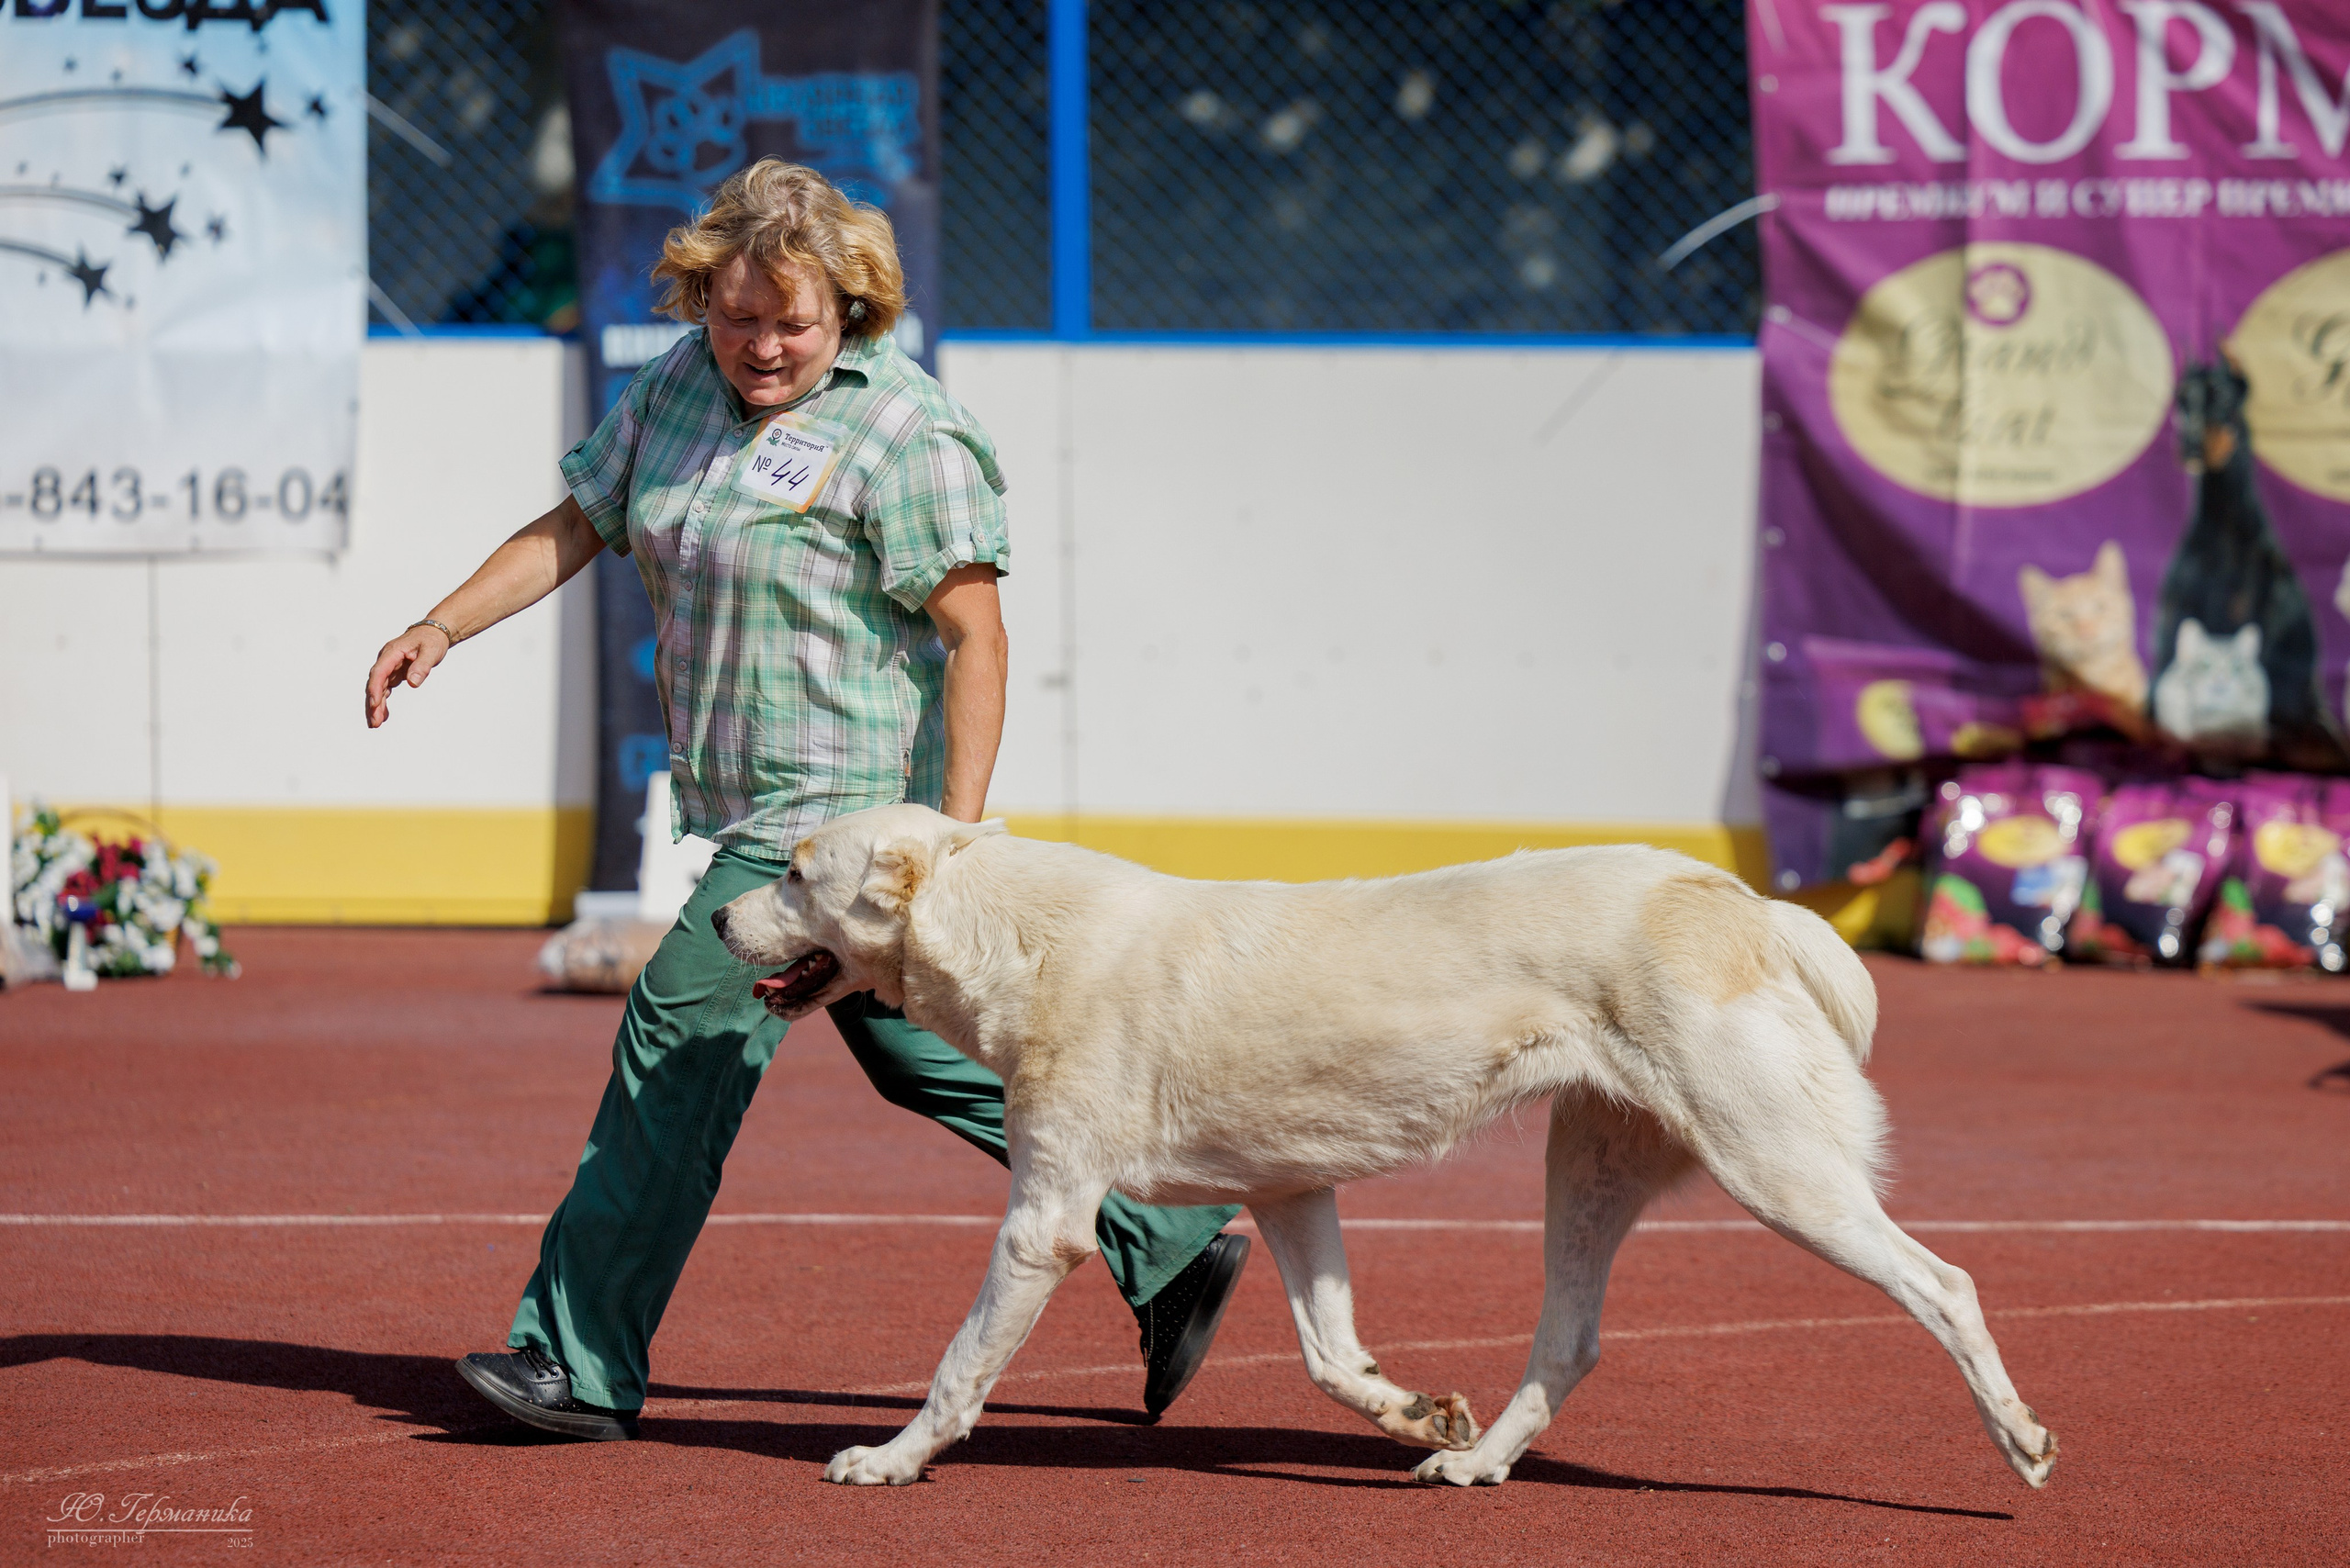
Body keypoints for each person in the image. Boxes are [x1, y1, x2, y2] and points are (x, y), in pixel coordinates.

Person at [364, 159, 1248, 1442]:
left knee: (678, 1033)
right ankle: (1166, 1237)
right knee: (922, 1052)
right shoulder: (674, 388)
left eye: (794, 322)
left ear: (851, 310)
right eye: (737, 316)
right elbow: (576, 522)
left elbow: (976, 641)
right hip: (753, 803)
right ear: (698, 299)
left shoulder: (904, 429)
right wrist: (439, 625)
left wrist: (946, 848)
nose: (763, 345)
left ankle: (578, 1360)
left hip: (837, 815)